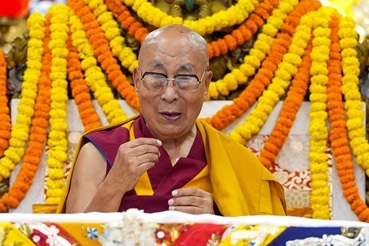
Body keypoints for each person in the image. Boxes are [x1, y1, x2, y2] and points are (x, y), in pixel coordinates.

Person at [58, 24, 286, 216]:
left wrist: (217, 221)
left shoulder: (235, 162)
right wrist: (115, 184)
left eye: (185, 78)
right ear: (137, 81)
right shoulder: (99, 152)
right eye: (156, 77)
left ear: (206, 84)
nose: (169, 94)